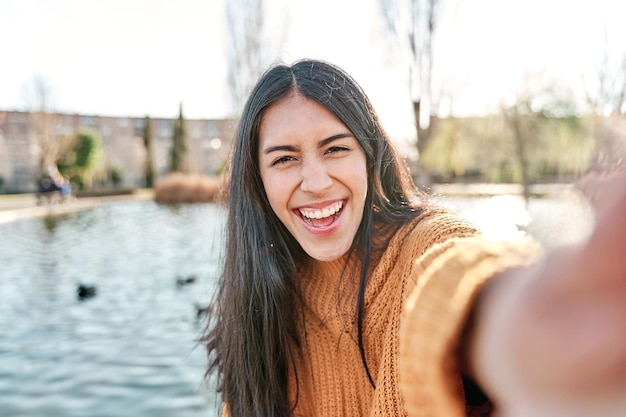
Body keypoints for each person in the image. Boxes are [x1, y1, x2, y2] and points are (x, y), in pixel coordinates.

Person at [201, 58, 626, 417]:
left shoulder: (422, 244)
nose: (315, 181)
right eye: (285, 159)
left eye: (335, 149)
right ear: (257, 180)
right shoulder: (256, 296)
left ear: (370, 157)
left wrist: (528, 330)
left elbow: (461, 277)